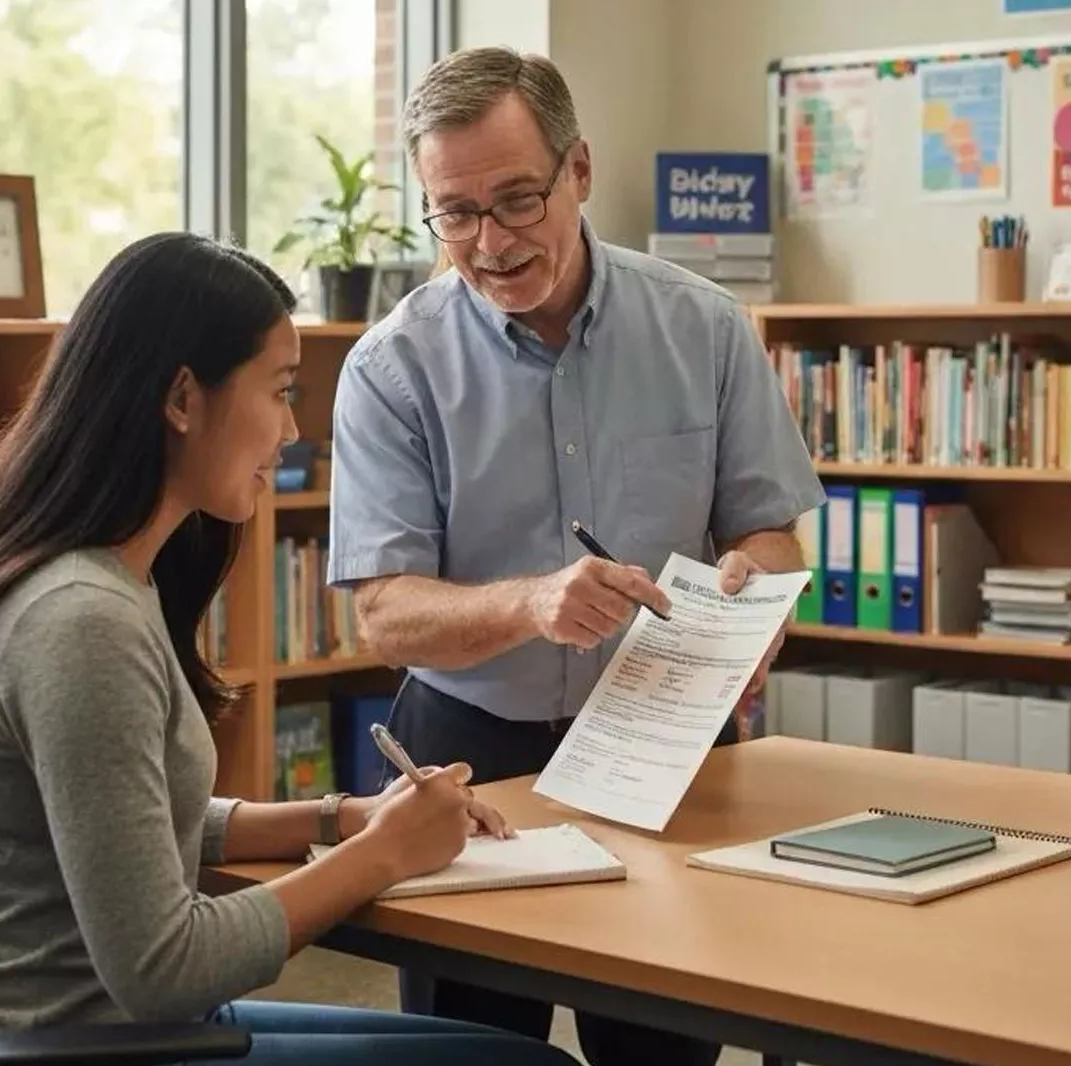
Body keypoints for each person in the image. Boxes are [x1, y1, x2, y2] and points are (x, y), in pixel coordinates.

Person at [0, 231, 583, 1066]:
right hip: (80, 1047)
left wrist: (342, 818)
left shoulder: (102, 581)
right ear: (183, 399)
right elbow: (165, 968)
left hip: (106, 1034)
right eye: (280, 390)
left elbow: (129, 826)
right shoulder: (81, 623)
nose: (292, 429)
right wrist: (381, 854)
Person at [326, 46, 826, 1066]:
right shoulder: (390, 368)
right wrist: (531, 603)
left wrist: (752, 590)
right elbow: (382, 614)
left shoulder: (706, 329)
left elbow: (767, 533)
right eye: (455, 213)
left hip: (663, 745)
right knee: (467, 1051)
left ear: (579, 171)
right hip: (469, 753)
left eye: (517, 200)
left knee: (662, 1047)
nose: (490, 242)